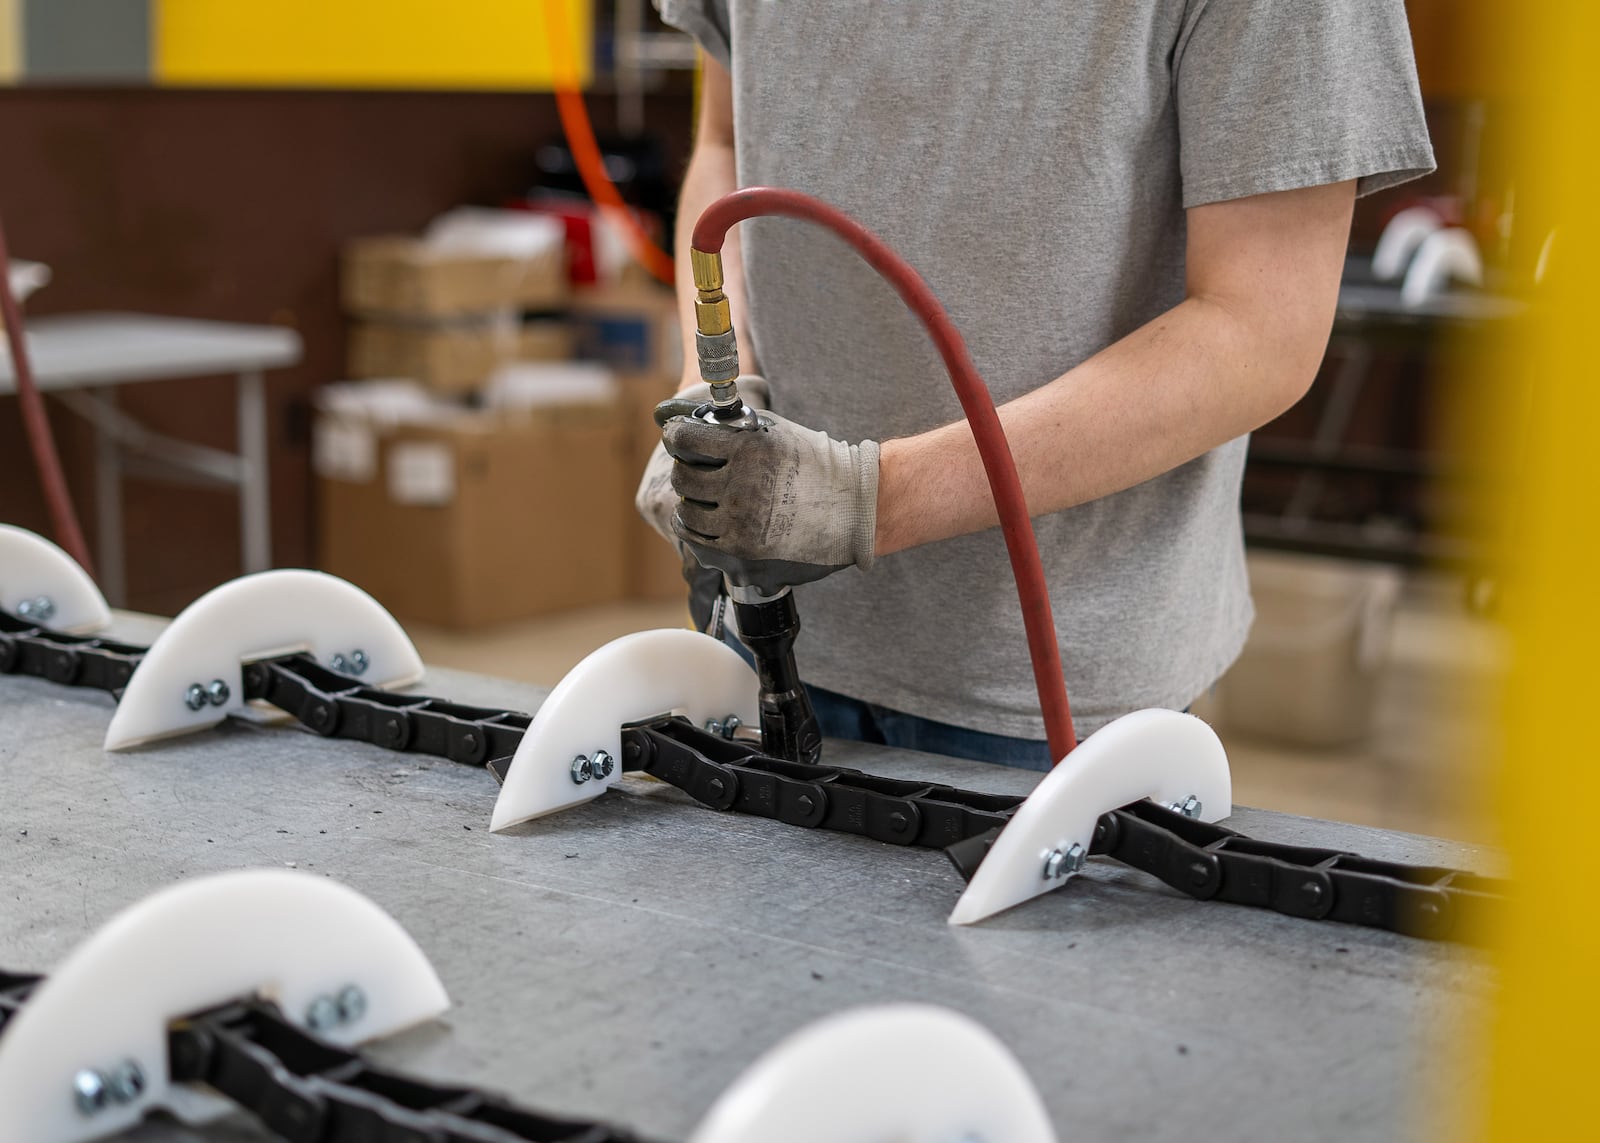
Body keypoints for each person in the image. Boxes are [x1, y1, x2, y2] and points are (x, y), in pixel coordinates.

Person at [636, 1, 1435, 769]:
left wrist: (864, 501)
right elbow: (724, 142)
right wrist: (717, 387)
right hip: (755, 622)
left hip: (1051, 685)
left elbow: (1261, 329)